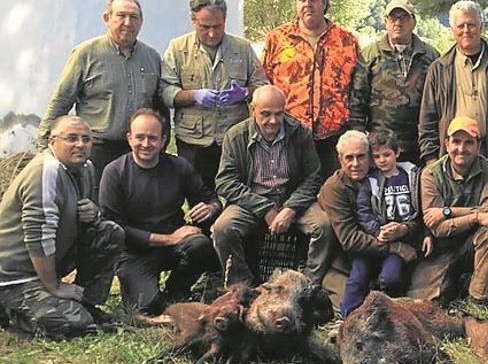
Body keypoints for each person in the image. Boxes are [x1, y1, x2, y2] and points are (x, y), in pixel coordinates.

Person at [0, 116, 123, 338]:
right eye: (71, 138)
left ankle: (87, 303)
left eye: (86, 139)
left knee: (109, 231)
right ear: (52, 140)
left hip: (49, 263)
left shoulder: (86, 168)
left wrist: (93, 213)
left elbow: (78, 219)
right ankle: (13, 315)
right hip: (14, 278)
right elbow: (38, 236)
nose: (80, 144)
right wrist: (55, 286)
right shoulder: (47, 172)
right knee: (77, 326)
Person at [99, 109, 222, 315]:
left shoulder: (179, 166)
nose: (146, 144)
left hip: (174, 246)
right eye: (140, 137)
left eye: (152, 138)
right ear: (129, 138)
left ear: (164, 139)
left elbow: (212, 199)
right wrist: (168, 239)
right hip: (134, 251)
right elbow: (113, 226)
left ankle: (177, 291)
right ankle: (155, 298)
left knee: (201, 246)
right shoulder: (114, 172)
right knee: (146, 308)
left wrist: (210, 208)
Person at [38, 0, 167, 185]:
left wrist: (161, 148)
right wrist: (43, 151)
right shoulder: (85, 54)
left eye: (133, 17)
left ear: (141, 22)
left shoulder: (152, 57)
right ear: (107, 18)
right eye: (121, 15)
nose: (127, 22)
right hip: (97, 150)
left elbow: (159, 106)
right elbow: (61, 101)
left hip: (138, 150)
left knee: (137, 208)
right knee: (96, 207)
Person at [212, 85, 334, 285]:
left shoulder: (300, 133)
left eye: (279, 114)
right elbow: (226, 182)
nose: (273, 121)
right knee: (223, 228)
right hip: (252, 201)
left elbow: (313, 177)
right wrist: (264, 208)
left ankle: (309, 284)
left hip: (291, 198)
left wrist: (291, 208)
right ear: (252, 110)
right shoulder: (235, 136)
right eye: (266, 114)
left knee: (324, 225)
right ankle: (240, 285)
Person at [160, 0, 268, 191]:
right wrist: (194, 96)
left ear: (225, 20)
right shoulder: (177, 48)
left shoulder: (242, 48)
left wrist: (245, 93)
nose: (211, 33)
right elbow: (165, 90)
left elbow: (263, 86)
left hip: (234, 137)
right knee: (199, 196)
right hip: (193, 140)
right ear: (193, 20)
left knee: (238, 192)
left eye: (217, 27)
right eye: (205, 27)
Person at [261, 0, 363, 180]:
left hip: (333, 138)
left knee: (332, 199)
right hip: (288, 135)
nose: (307, 4)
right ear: (295, 2)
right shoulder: (277, 39)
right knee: (290, 199)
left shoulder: (346, 40)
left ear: (324, 2)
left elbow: (358, 90)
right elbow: (263, 85)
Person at [409, 116, 488, 306]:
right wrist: (478, 216)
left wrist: (447, 212)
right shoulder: (430, 174)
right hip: (442, 248)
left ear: (478, 146)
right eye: (456, 141)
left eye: (469, 142)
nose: (461, 149)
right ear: (446, 144)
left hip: (476, 243)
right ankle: (459, 283)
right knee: (426, 303)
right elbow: (436, 227)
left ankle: (478, 300)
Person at [419, 0, 488, 169]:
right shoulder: (439, 69)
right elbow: (427, 120)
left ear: (481, 27)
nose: (466, 30)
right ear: (452, 30)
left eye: (471, 25)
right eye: (461, 26)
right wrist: (431, 160)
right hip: (451, 159)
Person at [319, 130, 418, 311]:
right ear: (340, 159)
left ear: (369, 157)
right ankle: (345, 319)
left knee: (394, 277)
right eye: (349, 158)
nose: (355, 164)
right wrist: (394, 247)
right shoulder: (333, 189)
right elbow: (350, 240)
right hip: (357, 252)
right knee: (357, 278)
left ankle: (393, 311)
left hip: (390, 242)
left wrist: (403, 229)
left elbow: (412, 210)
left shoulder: (382, 173)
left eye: (361, 157)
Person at [351, 0, 440, 164]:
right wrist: (360, 141)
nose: (398, 23)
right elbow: (357, 102)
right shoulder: (370, 55)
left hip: (419, 148)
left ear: (413, 22)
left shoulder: (431, 56)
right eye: (393, 18)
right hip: (379, 149)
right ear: (385, 22)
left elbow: (439, 103)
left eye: (403, 17)